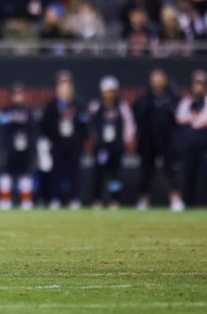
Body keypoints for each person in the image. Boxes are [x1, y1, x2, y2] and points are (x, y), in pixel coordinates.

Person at [133, 68, 184, 211]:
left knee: (171, 170)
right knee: (146, 171)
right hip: (148, 139)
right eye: (155, 78)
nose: (158, 81)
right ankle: (143, 199)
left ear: (165, 79)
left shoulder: (173, 97)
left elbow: (179, 118)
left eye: (160, 78)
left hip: (168, 139)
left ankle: (175, 198)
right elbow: (138, 116)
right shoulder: (145, 97)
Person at [40, 70, 89, 209]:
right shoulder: (51, 106)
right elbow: (45, 125)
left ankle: (74, 198)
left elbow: (83, 124)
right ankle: (54, 198)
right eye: (62, 86)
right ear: (57, 88)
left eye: (67, 86)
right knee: (56, 172)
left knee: (74, 172)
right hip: (57, 144)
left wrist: (81, 140)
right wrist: (51, 139)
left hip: (73, 144)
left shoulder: (78, 105)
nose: (65, 89)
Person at [89, 76, 136, 209]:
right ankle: (97, 199)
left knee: (116, 174)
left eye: (111, 91)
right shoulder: (95, 106)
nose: (109, 94)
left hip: (116, 146)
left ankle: (115, 200)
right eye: (107, 91)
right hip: (101, 146)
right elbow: (90, 125)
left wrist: (127, 140)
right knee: (99, 173)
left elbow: (129, 125)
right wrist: (94, 140)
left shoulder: (122, 107)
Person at [0, 82, 36, 210]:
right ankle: (5, 200)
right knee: (6, 174)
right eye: (16, 94)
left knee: (25, 174)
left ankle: (26, 201)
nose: (18, 97)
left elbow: (32, 129)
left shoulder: (28, 110)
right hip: (10, 149)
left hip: (24, 149)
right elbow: (2, 123)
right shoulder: (6, 110)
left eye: (20, 94)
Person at [176, 70, 207, 207]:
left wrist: (195, 119)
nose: (199, 87)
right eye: (197, 84)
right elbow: (179, 118)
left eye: (202, 84)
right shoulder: (186, 101)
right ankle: (188, 203)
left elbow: (203, 121)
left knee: (205, 174)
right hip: (189, 143)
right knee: (188, 173)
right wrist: (193, 117)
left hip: (204, 141)